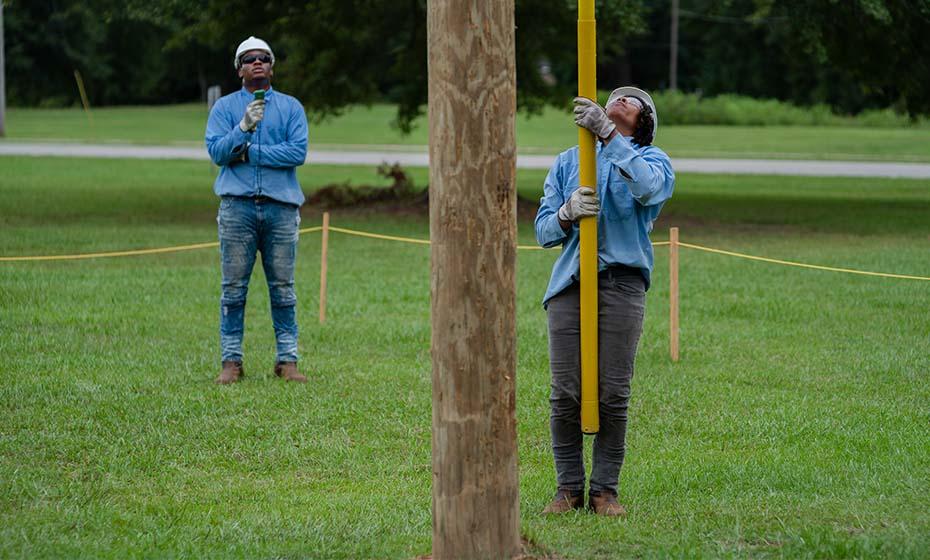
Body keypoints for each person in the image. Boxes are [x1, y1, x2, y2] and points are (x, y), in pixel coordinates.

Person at [535, 87, 675, 516]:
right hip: (570, 287)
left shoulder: (654, 160)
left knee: (613, 393)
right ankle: (568, 490)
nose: (620, 99)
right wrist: (565, 213)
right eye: (615, 96)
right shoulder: (567, 161)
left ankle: (604, 492)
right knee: (565, 395)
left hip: (622, 284)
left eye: (632, 100)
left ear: (646, 119)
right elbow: (542, 231)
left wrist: (609, 138)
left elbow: (648, 190)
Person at [205, 36, 309, 384]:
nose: (257, 63)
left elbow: (297, 153)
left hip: (281, 209)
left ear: (273, 65)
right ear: (239, 70)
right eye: (249, 59)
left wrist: (248, 154)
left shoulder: (292, 107)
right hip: (238, 209)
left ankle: (287, 360)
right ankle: (231, 362)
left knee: (283, 288)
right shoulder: (224, 109)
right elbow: (218, 153)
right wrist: (244, 128)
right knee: (233, 289)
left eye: (264, 57)